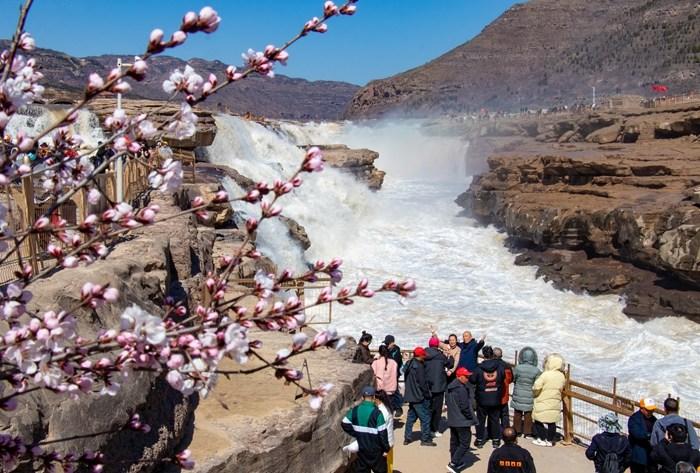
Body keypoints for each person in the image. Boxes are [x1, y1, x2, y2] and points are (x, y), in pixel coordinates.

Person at [341, 386, 390, 473]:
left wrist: (356, 433)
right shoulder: (377, 413)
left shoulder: (355, 411)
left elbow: (344, 423)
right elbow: (383, 434)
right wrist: (386, 449)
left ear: (362, 397)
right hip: (376, 452)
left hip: (362, 450)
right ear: (374, 397)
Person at [470, 345, 506, 448]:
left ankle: (480, 439)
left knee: (481, 420)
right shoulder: (499, 367)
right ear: (492, 355)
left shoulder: (479, 368)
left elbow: (472, 380)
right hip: (495, 397)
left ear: (484, 355)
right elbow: (503, 377)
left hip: (482, 398)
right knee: (495, 420)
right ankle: (496, 440)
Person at [446, 367, 477, 473]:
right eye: (466, 376)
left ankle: (455, 461)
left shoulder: (450, 387)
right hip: (462, 420)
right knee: (465, 442)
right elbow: (464, 406)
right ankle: (454, 463)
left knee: (454, 441)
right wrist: (470, 417)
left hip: (452, 419)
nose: (468, 379)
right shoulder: (461, 389)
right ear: (459, 376)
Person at [403, 347, 435, 447]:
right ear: (420, 356)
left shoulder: (409, 364)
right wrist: (428, 395)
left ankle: (407, 438)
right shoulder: (419, 367)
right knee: (425, 418)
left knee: (411, 418)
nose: (424, 357)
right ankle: (425, 439)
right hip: (418, 396)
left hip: (410, 395)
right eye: (423, 356)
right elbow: (422, 384)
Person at [532, 353, 565, 447]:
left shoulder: (545, 375)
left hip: (543, 400)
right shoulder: (562, 376)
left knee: (538, 420)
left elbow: (536, 387)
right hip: (555, 402)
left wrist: (535, 394)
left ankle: (542, 439)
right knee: (552, 422)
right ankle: (550, 440)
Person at [425, 335, 453, 438]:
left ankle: (426, 429)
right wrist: (451, 356)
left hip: (426, 386)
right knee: (437, 409)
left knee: (427, 408)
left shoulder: (424, 354)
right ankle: (434, 429)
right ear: (437, 345)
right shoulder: (441, 356)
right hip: (439, 386)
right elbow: (449, 364)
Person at [511, 347, 541, 438]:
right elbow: (537, 383)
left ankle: (517, 431)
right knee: (528, 414)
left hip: (518, 392)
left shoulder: (518, 368)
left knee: (517, 412)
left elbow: (513, 378)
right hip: (529, 394)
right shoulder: (536, 370)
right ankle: (527, 432)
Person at [628, 398, 658, 473]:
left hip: (651, 457)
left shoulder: (654, 420)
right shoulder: (634, 418)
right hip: (638, 457)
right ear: (642, 409)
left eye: (652, 410)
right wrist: (651, 435)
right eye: (648, 410)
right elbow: (637, 434)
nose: (650, 412)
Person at [371, 346, 398, 410]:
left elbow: (372, 374)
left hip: (380, 390)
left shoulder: (376, 362)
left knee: (379, 409)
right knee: (389, 409)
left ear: (379, 352)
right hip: (391, 390)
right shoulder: (394, 363)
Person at [493, 347, 513, 429]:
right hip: (504, 395)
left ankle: (494, 433)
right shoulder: (507, 366)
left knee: (494, 415)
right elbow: (511, 379)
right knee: (505, 415)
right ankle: (506, 432)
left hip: (493, 394)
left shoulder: (491, 366)